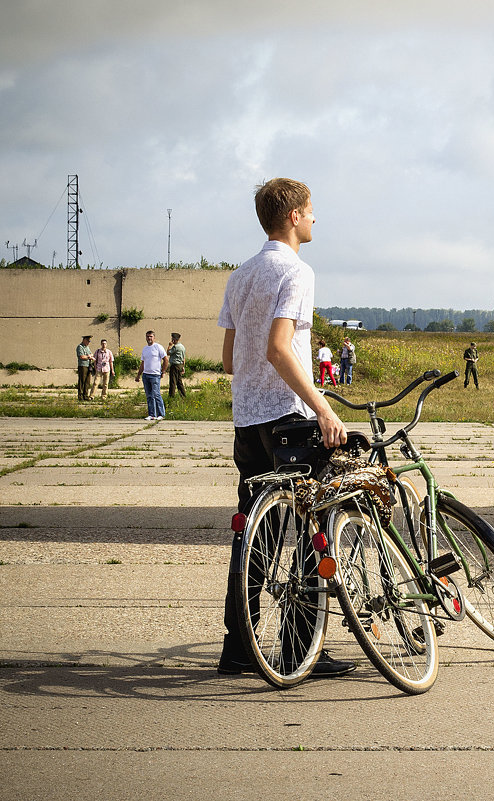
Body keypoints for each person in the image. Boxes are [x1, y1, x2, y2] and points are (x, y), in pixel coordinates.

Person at [216, 177, 353, 679]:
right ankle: (300, 649)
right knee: (313, 528)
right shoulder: (296, 271)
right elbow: (279, 348)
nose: (316, 218)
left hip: (247, 422)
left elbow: (230, 359)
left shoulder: (240, 275)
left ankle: (238, 648)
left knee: (255, 535)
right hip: (287, 419)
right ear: (293, 217)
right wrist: (322, 407)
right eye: (312, 210)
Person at [135, 330, 168, 421]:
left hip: (155, 375)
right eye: (147, 336)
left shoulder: (158, 347)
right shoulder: (145, 349)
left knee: (156, 394)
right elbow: (143, 363)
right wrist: (138, 375)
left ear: (154, 337)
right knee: (149, 395)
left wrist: (163, 371)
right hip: (146, 375)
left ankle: (161, 414)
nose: (149, 338)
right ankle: (152, 414)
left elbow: (166, 360)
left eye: (151, 336)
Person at [167, 333, 187, 397]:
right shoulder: (182, 347)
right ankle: (183, 396)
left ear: (174, 339)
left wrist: (169, 345)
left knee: (173, 382)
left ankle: (171, 396)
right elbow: (183, 358)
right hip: (180, 365)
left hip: (175, 366)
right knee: (179, 382)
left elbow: (168, 353)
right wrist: (183, 367)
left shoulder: (175, 347)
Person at [76, 335, 94, 401]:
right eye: (88, 341)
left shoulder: (87, 347)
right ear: (84, 340)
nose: (89, 342)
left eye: (89, 341)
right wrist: (89, 356)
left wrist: (89, 356)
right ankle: (80, 396)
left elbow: (91, 354)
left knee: (87, 382)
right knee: (82, 381)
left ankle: (85, 396)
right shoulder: (80, 347)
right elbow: (82, 357)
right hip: (82, 365)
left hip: (88, 365)